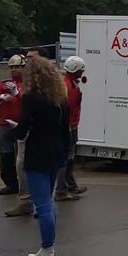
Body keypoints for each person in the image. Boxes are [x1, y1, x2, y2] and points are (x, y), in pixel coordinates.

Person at [11, 55, 70, 256]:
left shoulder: (31, 98)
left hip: (37, 156)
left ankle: (48, 252)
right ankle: (46, 249)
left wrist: (12, 130)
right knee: (49, 203)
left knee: (42, 205)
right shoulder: (60, 98)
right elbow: (66, 132)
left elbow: (23, 129)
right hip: (56, 155)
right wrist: (65, 154)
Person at [0, 55, 35, 218]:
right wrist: (0, 97)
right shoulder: (4, 84)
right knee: (6, 156)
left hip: (21, 125)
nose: (14, 70)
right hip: (5, 124)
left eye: (17, 67)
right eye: (11, 67)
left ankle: (26, 193)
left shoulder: (29, 85)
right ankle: (11, 184)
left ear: (24, 68)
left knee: (21, 160)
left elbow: (31, 102)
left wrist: (17, 93)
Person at [54, 56, 87, 201]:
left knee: (69, 158)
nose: (82, 72)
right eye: (81, 70)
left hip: (70, 126)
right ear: (76, 71)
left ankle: (71, 185)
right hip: (68, 127)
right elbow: (69, 108)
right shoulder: (69, 87)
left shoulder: (68, 83)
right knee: (66, 159)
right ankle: (61, 190)